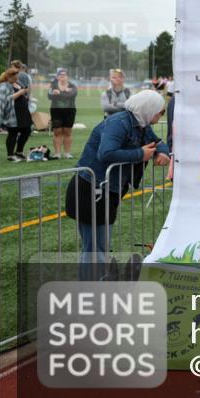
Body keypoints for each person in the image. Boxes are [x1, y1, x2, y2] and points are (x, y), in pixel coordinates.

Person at [65, 90, 170, 279]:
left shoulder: (141, 123)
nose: (160, 115)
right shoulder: (119, 122)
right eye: (160, 111)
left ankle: (96, 286)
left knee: (100, 246)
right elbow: (105, 153)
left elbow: (157, 142)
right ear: (148, 109)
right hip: (91, 189)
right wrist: (140, 154)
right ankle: (90, 291)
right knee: (95, 248)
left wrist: (162, 151)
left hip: (106, 190)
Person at [0, 67, 31, 161]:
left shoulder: (17, 83)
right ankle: (10, 155)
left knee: (27, 131)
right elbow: (6, 99)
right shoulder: (3, 86)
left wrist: (24, 93)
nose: (18, 76)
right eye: (16, 75)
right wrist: (20, 93)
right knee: (13, 132)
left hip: (23, 112)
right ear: (10, 77)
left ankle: (19, 152)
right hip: (13, 113)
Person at [48, 68, 78, 159]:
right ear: (57, 77)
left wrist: (58, 93)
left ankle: (67, 153)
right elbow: (49, 96)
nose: (62, 77)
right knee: (57, 132)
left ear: (68, 76)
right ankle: (57, 153)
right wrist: (63, 92)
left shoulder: (73, 86)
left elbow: (71, 95)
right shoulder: (53, 86)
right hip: (56, 111)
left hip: (70, 111)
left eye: (64, 75)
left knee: (67, 132)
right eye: (60, 75)